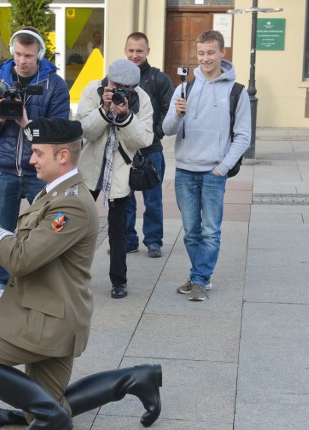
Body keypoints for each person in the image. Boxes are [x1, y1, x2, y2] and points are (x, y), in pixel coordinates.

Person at [0, 117, 162, 430]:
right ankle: (135, 378)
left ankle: (47, 415)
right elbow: (27, 246)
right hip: (48, 310)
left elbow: (21, 259)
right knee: (44, 407)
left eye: (37, 153)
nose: (31, 159)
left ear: (63, 156)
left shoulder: (71, 203)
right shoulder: (56, 193)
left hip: (48, 321)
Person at [0, 26, 70, 314]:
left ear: (39, 54)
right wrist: (1, 117)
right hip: (5, 168)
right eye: (17, 54)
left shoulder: (54, 84)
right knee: (2, 231)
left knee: (46, 233)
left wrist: (27, 124)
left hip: (39, 171)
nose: (22, 60)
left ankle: (46, 287)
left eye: (28, 55)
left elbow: (60, 132)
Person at [162, 30, 250, 302]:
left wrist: (221, 168)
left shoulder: (236, 92)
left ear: (223, 53)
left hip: (213, 172)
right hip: (185, 170)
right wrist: (177, 114)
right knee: (191, 231)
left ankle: (199, 279)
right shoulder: (184, 88)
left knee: (210, 230)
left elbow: (243, 136)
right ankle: (201, 275)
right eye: (201, 53)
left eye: (211, 52)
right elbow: (166, 129)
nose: (205, 58)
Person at [76, 59, 154, 299]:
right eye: (115, 85)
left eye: (125, 88)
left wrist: (126, 117)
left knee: (118, 231)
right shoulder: (92, 90)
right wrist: (104, 110)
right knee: (79, 227)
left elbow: (144, 140)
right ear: (108, 80)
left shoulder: (142, 99)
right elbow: (84, 131)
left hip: (120, 171)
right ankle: (75, 279)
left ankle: (119, 281)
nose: (119, 90)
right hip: (91, 169)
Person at [122, 32, 175, 258]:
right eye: (131, 50)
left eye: (139, 51)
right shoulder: (117, 77)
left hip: (151, 151)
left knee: (153, 199)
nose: (135, 55)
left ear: (148, 52)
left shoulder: (159, 79)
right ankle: (128, 239)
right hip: (125, 151)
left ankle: (154, 241)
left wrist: (156, 134)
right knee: (125, 198)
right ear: (126, 51)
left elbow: (169, 110)